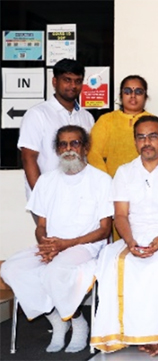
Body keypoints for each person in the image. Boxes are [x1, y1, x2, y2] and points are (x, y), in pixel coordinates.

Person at [1, 125, 112, 353]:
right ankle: (57, 320)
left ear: (85, 147)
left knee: (55, 272)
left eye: (75, 143)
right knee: (12, 268)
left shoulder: (101, 180)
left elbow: (104, 230)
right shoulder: (46, 181)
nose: (69, 149)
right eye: (63, 144)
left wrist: (65, 245)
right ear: (56, 149)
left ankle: (77, 321)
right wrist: (46, 244)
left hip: (86, 246)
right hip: (53, 245)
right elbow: (40, 226)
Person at [90, 116, 158, 355]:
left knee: (157, 266)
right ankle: (120, 334)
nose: (147, 142)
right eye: (141, 137)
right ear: (136, 142)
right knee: (112, 261)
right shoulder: (124, 172)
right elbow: (121, 215)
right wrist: (130, 242)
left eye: (153, 136)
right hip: (132, 235)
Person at [18, 59, 94, 203]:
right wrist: (41, 197)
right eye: (67, 80)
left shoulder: (87, 117)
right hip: (48, 197)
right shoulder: (37, 114)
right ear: (54, 82)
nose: (73, 86)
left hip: (80, 197)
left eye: (78, 81)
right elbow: (28, 158)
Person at [88, 75, 158, 177]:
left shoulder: (154, 123)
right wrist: (106, 179)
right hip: (113, 183)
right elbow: (93, 153)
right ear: (121, 95)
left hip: (151, 183)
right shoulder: (106, 120)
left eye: (138, 92)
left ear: (145, 97)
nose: (133, 96)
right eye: (127, 91)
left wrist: (154, 178)